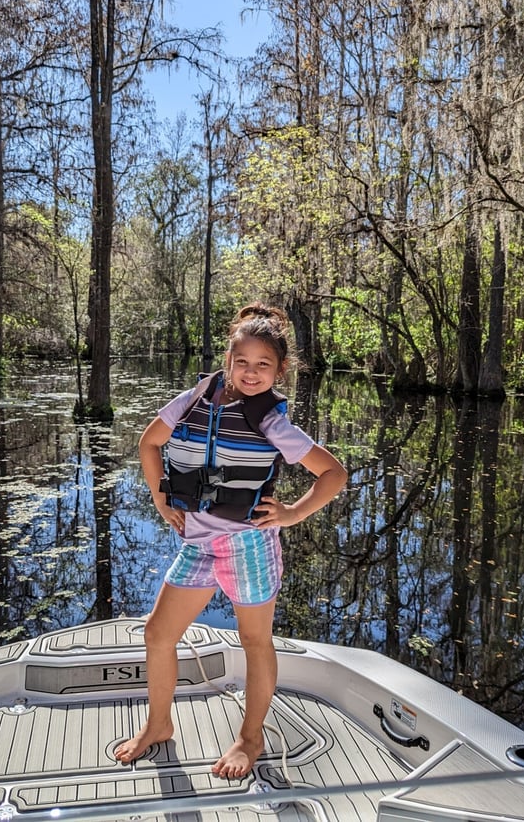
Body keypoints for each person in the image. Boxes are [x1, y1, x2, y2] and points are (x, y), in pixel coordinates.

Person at [113, 302, 347, 779]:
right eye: (242, 362)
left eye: (264, 365)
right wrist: (162, 502)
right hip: (197, 541)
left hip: (249, 546)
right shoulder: (195, 398)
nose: (251, 373)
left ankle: (251, 738)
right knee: (158, 633)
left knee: (254, 641)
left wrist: (291, 513)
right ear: (228, 361)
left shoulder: (272, 421)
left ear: (280, 369)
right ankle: (158, 725)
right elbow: (149, 443)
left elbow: (333, 474)